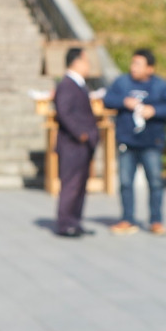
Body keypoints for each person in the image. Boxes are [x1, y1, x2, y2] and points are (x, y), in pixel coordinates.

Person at [104, 48, 166, 236]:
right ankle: (127, 218)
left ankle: (156, 220)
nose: (133, 67)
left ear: (150, 68)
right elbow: (107, 99)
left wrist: (154, 111)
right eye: (133, 63)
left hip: (151, 142)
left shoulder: (160, 85)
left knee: (155, 182)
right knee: (125, 182)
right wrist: (124, 101)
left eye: (138, 64)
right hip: (127, 141)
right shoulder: (122, 82)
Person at [53, 47, 98, 238]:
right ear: (77, 62)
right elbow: (63, 112)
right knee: (71, 185)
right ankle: (65, 224)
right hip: (72, 144)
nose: (89, 66)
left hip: (81, 145)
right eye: (86, 61)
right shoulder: (67, 84)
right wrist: (81, 133)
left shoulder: (78, 84)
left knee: (80, 186)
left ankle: (75, 221)